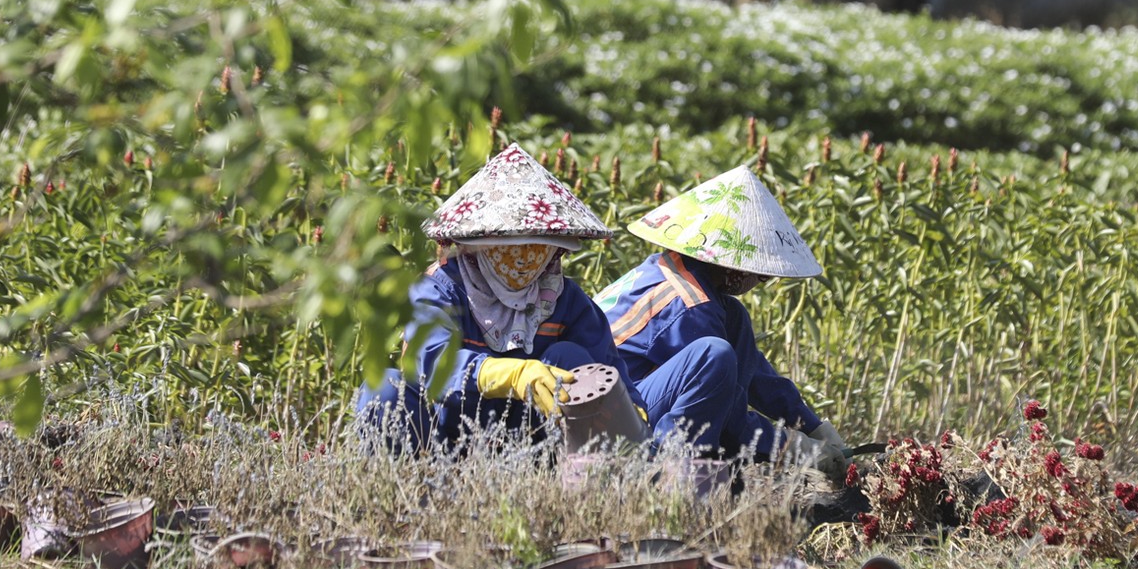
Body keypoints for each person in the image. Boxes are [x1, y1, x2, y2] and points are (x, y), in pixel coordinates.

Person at [356, 141, 642, 453]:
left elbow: (607, 371)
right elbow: (429, 360)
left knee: (571, 358)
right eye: (511, 246)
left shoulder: (564, 300)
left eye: (537, 247)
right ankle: (411, 492)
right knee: (381, 388)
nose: (524, 260)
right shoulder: (440, 289)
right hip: (446, 431)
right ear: (480, 243)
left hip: (530, 440)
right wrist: (508, 374)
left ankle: (573, 485)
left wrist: (631, 416)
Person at [595, 166, 849, 479]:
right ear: (731, 265)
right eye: (759, 272)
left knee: (733, 324)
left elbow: (753, 373)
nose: (762, 280)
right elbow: (727, 413)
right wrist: (790, 447)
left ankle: (701, 460)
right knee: (714, 356)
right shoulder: (690, 305)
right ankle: (674, 467)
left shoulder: (683, 276)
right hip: (607, 413)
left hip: (632, 394)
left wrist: (812, 426)